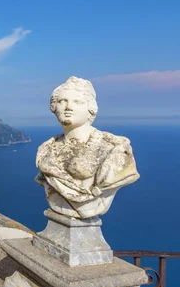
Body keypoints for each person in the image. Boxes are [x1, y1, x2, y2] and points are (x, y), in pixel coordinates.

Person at [35, 76, 139, 219]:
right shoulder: (46, 149)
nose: (68, 107)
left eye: (77, 102)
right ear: (54, 107)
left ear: (90, 108)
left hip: (89, 211)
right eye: (62, 101)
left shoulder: (114, 148)